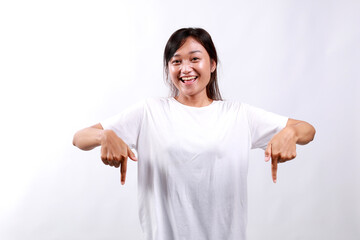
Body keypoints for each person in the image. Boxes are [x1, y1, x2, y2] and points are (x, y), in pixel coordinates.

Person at [73, 28, 315, 240]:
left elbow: (307, 130)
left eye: (194, 59)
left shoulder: (238, 115)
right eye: (176, 61)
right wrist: (104, 136)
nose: (185, 68)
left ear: (212, 64)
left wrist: (290, 133)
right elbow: (80, 138)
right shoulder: (150, 112)